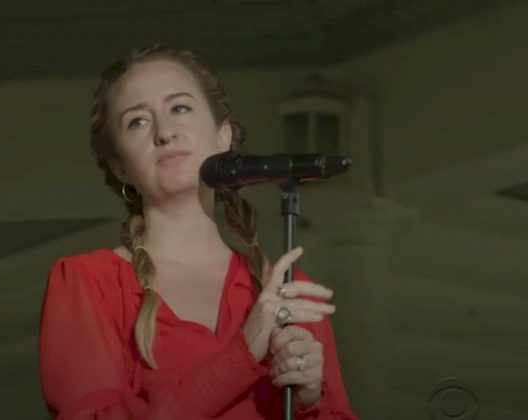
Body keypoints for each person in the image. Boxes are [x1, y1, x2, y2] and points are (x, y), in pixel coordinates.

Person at [39, 44, 357, 419]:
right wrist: (246, 348)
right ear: (119, 167)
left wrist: (308, 401)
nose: (165, 132)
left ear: (223, 137)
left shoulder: (287, 290)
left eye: (180, 108)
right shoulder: (88, 282)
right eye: (138, 121)